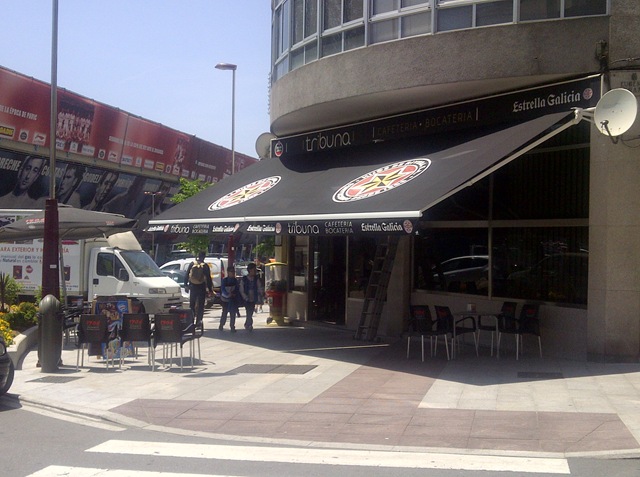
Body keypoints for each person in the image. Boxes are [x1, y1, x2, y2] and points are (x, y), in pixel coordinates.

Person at [184, 251, 213, 326]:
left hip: (192, 287)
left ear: (198, 256)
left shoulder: (192, 264)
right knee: (201, 305)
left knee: (192, 305)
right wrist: (210, 290)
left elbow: (187, 275)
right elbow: (208, 278)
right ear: (204, 257)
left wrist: (185, 285)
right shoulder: (205, 266)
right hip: (201, 287)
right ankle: (199, 322)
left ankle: (191, 321)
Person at [240, 262, 264, 331]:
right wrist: (245, 297)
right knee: (248, 311)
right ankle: (249, 324)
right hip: (246, 298)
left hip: (253, 298)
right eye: (254, 270)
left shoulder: (256, 279)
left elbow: (259, 287)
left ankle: (248, 323)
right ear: (249, 270)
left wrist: (261, 293)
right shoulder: (244, 279)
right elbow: (241, 289)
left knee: (251, 311)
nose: (255, 272)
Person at [219, 265, 239, 331]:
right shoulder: (225, 280)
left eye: (234, 271)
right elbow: (222, 289)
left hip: (232, 299)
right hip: (225, 299)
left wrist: (234, 294)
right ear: (228, 272)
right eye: (231, 271)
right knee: (224, 312)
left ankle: (232, 326)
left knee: (233, 313)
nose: (233, 273)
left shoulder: (235, 280)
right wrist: (228, 294)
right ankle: (221, 324)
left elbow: (237, 289)